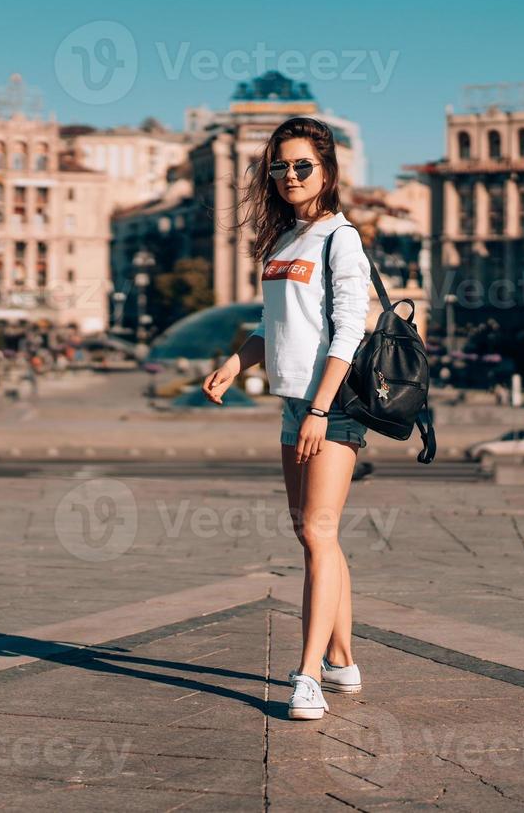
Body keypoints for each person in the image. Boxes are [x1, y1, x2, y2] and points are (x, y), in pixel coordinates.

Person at [201, 116, 371, 721]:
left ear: (326, 170)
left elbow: (351, 327)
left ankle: (307, 677)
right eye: (280, 166)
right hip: (293, 401)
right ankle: (344, 659)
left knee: (318, 533)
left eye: (302, 165)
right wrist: (236, 362)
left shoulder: (338, 237)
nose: (290, 175)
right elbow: (274, 327)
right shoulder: (282, 242)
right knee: (312, 533)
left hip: (334, 401)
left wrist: (321, 409)